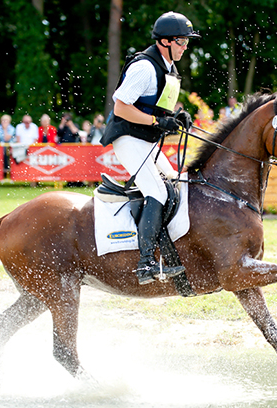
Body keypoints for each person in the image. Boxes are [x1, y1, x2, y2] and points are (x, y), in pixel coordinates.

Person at [100, 11, 199, 284]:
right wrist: (157, 121)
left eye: (187, 41)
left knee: (175, 183)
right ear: (165, 41)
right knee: (156, 190)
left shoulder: (168, 68)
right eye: (181, 41)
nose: (185, 46)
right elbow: (121, 108)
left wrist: (176, 116)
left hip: (145, 140)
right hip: (128, 138)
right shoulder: (144, 67)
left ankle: (168, 250)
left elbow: (155, 106)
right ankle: (145, 263)